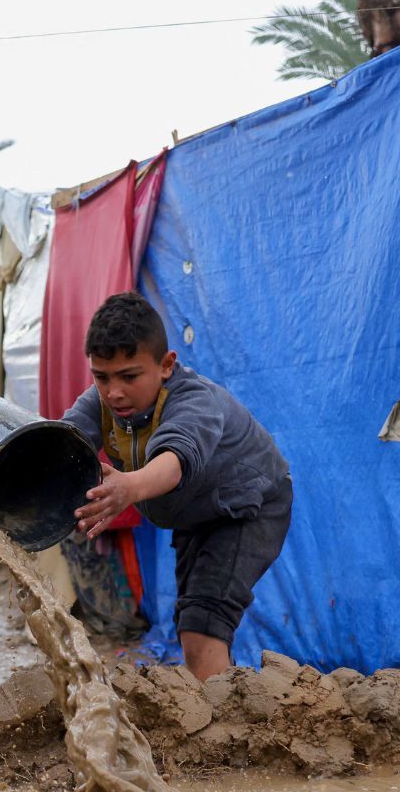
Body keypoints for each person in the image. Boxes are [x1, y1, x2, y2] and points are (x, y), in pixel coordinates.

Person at [62, 292, 293, 682]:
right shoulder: (101, 403)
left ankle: (221, 717)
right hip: (196, 514)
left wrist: (126, 488)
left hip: (249, 507)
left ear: (166, 365)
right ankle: (223, 698)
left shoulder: (194, 401)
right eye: (101, 377)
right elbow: (60, 446)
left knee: (203, 627)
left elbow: (173, 463)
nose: (114, 392)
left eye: (129, 376)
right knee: (193, 621)